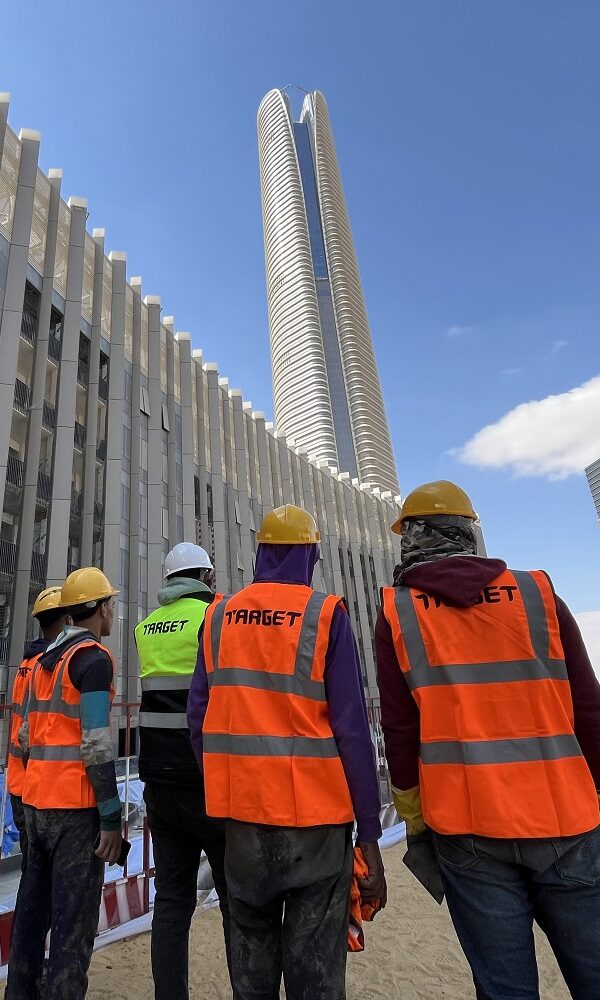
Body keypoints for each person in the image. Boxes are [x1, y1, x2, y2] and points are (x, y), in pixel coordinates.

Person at [376, 480, 600, 1000]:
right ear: (470, 533)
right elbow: (587, 704)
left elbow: (401, 729)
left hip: (467, 825)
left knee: (504, 989)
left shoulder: (399, 611)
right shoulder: (536, 593)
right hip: (565, 817)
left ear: (414, 538)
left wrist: (413, 816)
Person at [188, 504, 386, 1000]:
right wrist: (370, 831)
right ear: (310, 554)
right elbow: (352, 731)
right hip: (315, 826)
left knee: (251, 967)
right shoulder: (324, 614)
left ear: (261, 553)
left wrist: (227, 789)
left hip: (243, 823)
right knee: (314, 973)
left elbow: (198, 720)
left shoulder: (217, 617)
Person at [6, 567, 123, 1000]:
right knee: (73, 929)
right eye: (110, 604)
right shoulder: (93, 660)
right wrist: (111, 816)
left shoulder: (40, 663)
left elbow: (23, 736)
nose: (113, 612)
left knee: (31, 916)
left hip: (37, 805)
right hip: (75, 812)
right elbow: (95, 744)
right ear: (97, 609)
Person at [135, 542, 231, 1000]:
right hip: (207, 778)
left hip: (159, 780)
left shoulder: (145, 627)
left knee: (172, 902)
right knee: (236, 900)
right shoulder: (214, 618)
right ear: (206, 578)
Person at [7, 587, 71, 870]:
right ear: (66, 620)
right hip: (37, 785)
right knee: (41, 874)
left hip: (18, 783)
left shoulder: (25, 662)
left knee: (31, 870)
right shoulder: (47, 665)